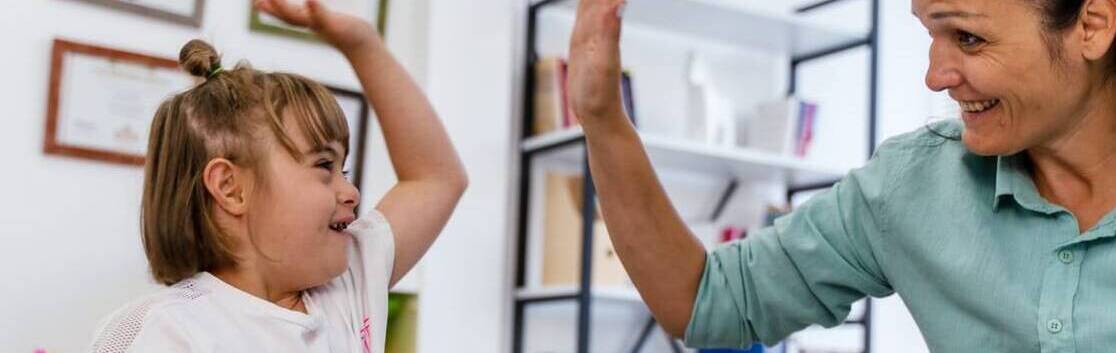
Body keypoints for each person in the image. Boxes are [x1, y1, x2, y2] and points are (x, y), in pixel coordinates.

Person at [566, 0, 1116, 351]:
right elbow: (705, 302)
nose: (935, 75)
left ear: (1091, 25)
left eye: (968, 38)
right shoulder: (912, 185)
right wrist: (603, 121)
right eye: (929, 34)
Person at [88, 0, 467, 352]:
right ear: (230, 188)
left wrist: (361, 43)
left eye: (344, 169)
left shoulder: (350, 283)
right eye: (324, 166)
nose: (350, 191)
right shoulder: (163, 331)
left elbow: (435, 178)